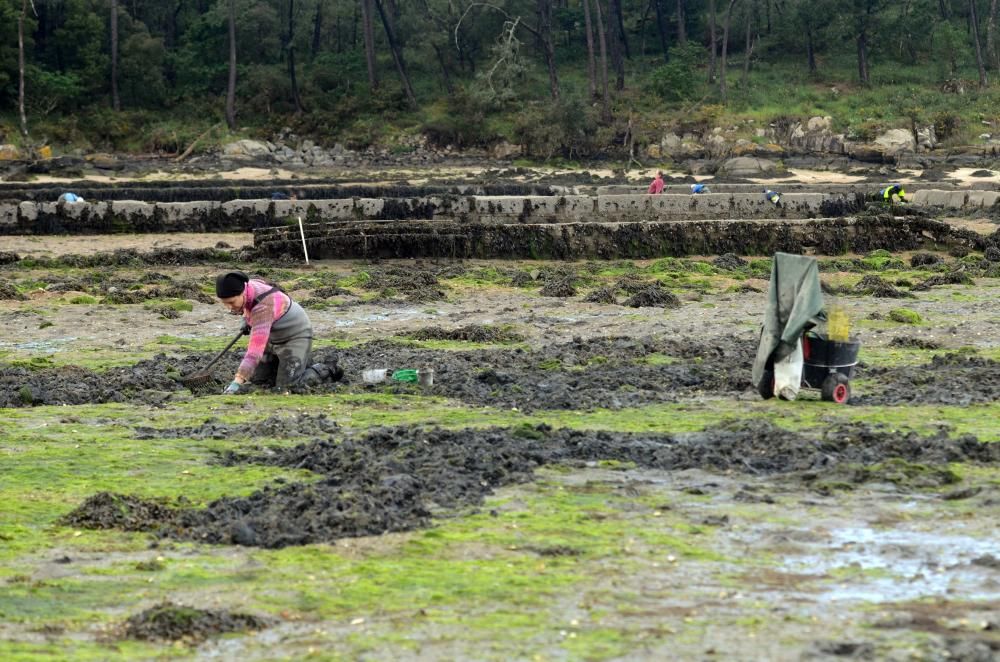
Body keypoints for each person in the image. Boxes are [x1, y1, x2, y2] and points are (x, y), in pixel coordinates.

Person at [215, 270, 339, 394]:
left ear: (242, 292)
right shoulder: (248, 285)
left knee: (286, 388)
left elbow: (254, 352)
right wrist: (246, 319)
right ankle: (295, 365)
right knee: (259, 381)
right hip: (272, 336)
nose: (229, 307)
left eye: (231, 302)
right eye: (225, 303)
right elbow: (256, 292)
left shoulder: (263, 308)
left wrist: (237, 382)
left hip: (295, 336)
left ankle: (325, 368)